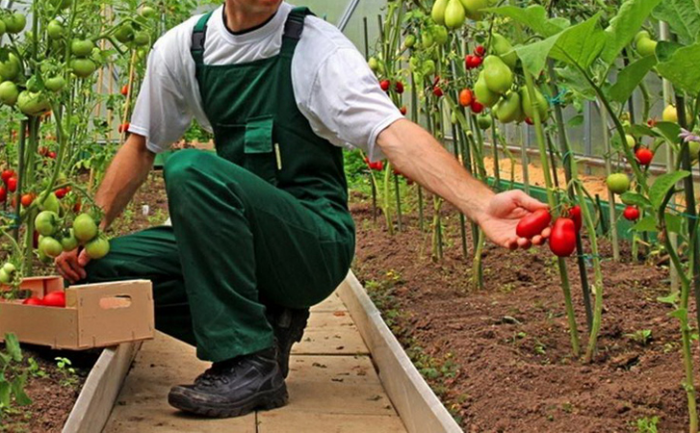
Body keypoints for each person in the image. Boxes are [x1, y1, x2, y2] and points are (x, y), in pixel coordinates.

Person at [55, 0, 548, 419]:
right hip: (240, 240)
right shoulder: (185, 48)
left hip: (312, 242)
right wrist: (88, 232)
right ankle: (267, 327)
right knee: (103, 272)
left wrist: (481, 203)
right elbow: (141, 147)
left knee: (190, 168)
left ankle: (249, 362)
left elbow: (390, 132)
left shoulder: (316, 47)